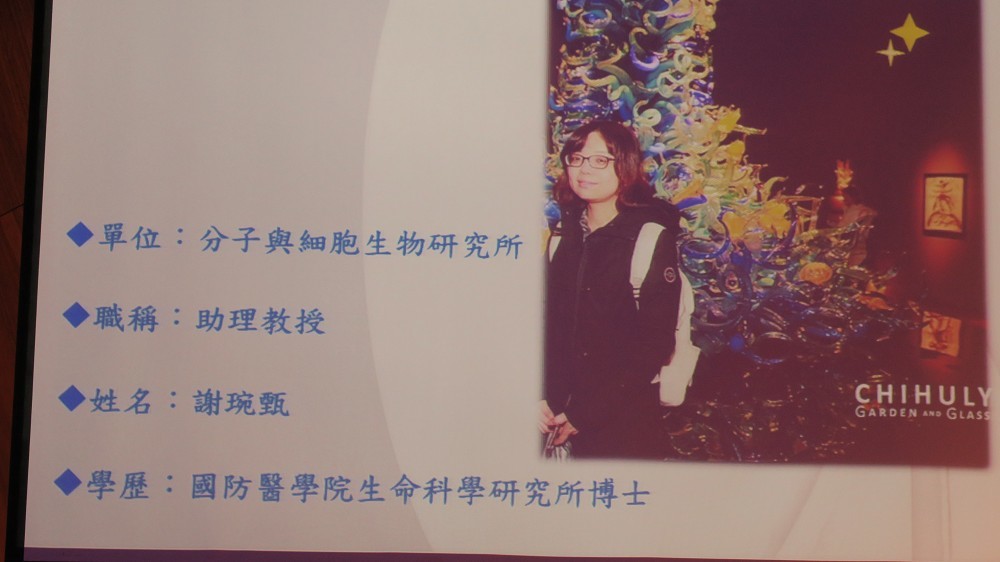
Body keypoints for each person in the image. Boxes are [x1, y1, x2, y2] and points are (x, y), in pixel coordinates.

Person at [541, 120, 681, 459]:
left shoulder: (649, 237)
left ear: (625, 166)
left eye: (600, 160)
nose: (584, 169)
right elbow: (546, 327)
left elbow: (655, 345)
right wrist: (539, 394)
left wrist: (585, 414)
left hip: (621, 424)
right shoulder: (561, 236)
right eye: (576, 158)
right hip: (554, 414)